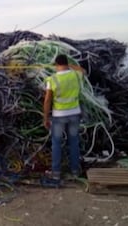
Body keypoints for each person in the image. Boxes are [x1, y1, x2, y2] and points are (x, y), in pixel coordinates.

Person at [43, 54, 84, 182]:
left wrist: (45, 117)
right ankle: (75, 171)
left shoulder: (52, 79)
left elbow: (48, 100)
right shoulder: (76, 75)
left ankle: (56, 173)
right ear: (66, 63)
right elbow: (83, 70)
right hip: (74, 114)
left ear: (56, 65)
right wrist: (70, 66)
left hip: (59, 116)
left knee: (56, 144)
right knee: (74, 143)